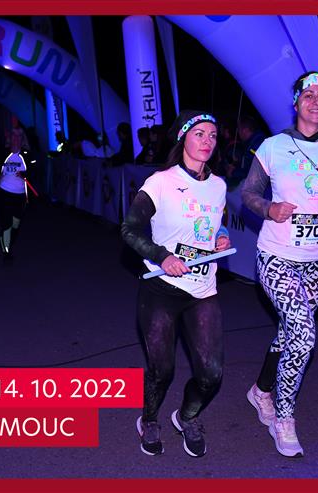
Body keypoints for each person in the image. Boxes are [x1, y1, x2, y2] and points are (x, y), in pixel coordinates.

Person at [241, 71, 318, 457]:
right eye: (308, 94)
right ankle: (284, 417)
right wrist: (269, 208)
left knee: (290, 332)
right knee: (304, 334)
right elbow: (248, 193)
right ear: (295, 101)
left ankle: (260, 391)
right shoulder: (273, 146)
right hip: (277, 255)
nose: (316, 101)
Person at [121, 110, 231, 457]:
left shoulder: (218, 185)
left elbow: (217, 220)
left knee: (211, 373)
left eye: (212, 135)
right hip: (161, 290)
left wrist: (222, 235)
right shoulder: (160, 182)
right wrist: (162, 256)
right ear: (183, 138)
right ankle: (150, 419)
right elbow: (129, 229)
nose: (207, 141)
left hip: (203, 290)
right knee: (162, 370)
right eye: (199, 134)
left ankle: (187, 417)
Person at [0, 132, 30, 262]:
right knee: (7, 224)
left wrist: (24, 174)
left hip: (19, 196)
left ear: (22, 140)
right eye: (14, 136)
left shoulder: (26, 155)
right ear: (10, 139)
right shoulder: (3, 154)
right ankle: (6, 252)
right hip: (4, 193)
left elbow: (34, 170)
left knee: (15, 225)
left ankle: (7, 243)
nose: (16, 139)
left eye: (19, 137)